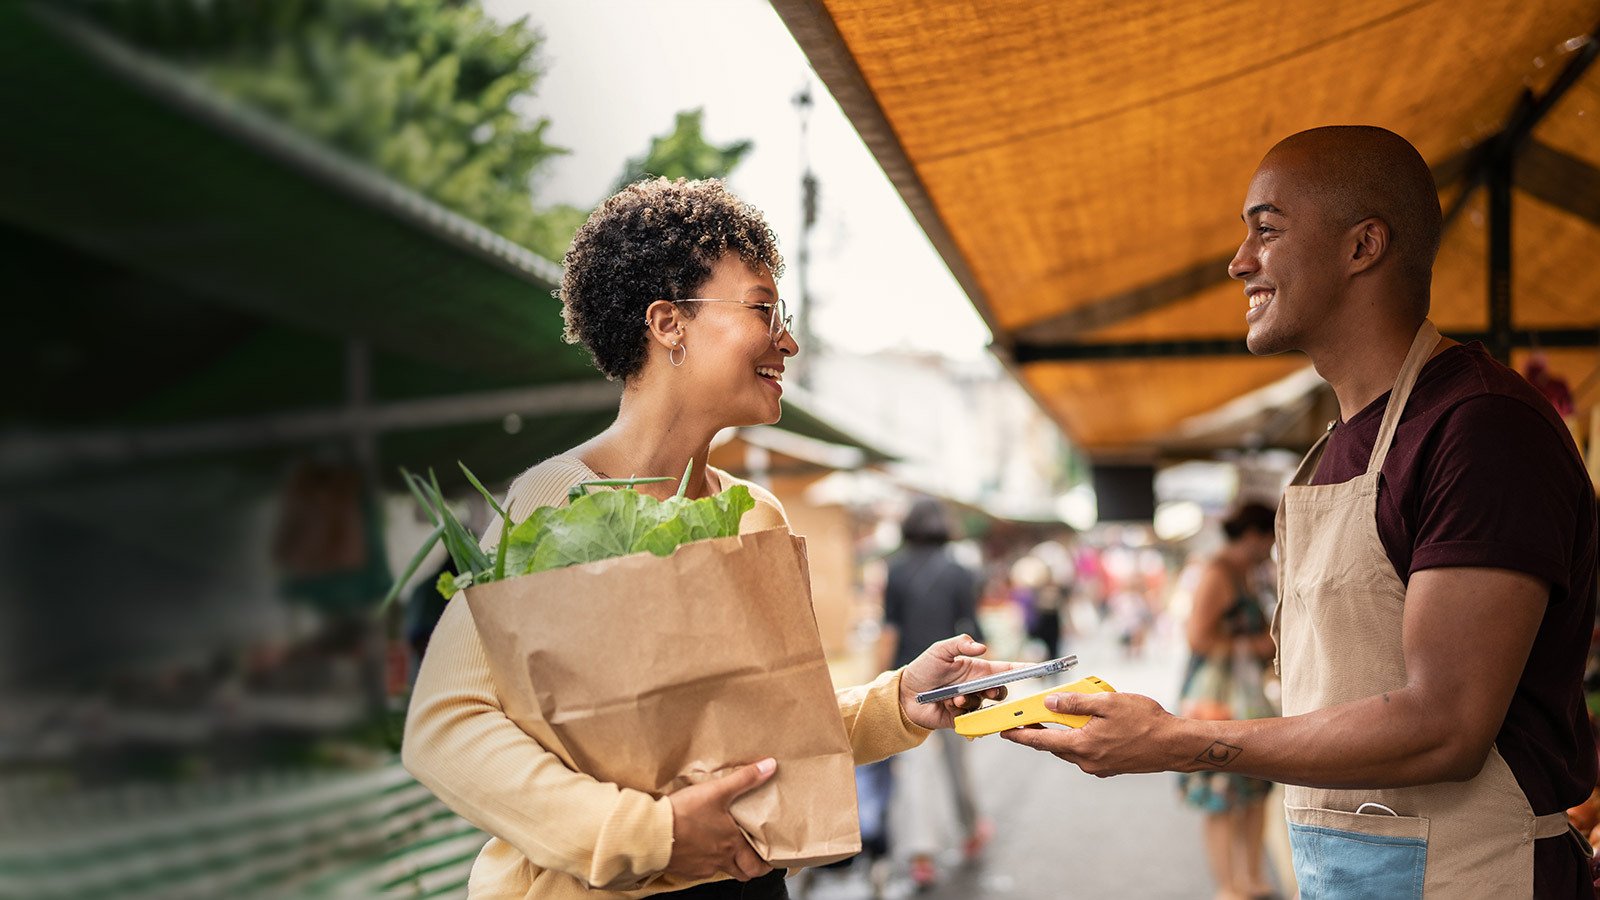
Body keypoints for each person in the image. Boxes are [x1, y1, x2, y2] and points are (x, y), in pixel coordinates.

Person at [1003, 126, 1599, 899]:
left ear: (1364, 246)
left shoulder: (1482, 427)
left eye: (1267, 229)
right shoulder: (1331, 452)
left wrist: (1180, 740)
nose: (1238, 259)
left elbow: (1448, 726)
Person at [402, 177, 1019, 900]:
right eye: (763, 309)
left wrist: (896, 700)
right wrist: (651, 834)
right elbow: (447, 725)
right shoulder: (559, 497)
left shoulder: (756, 517)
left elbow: (765, 733)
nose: (786, 340)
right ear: (669, 323)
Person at [877, 498, 993, 889]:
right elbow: (974, 630)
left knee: (914, 769)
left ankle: (921, 855)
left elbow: (889, 631)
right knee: (959, 762)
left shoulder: (894, 570)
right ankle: (972, 830)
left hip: (909, 682)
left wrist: (878, 682)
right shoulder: (960, 571)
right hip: (954, 681)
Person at [1175, 503, 1279, 900]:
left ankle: (1249, 879)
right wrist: (1257, 645)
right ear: (1253, 534)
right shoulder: (1218, 573)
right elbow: (1197, 638)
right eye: (1268, 535)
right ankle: (1228, 887)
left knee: (1253, 788)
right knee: (1221, 792)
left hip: (1243, 692)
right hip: (1216, 695)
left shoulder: (1249, 573)